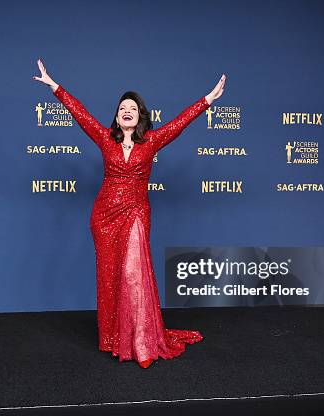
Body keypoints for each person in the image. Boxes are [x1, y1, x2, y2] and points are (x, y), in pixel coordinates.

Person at [33, 59, 226, 368]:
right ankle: (113, 338)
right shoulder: (104, 138)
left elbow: (178, 123)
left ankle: (140, 340)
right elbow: (80, 114)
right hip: (104, 216)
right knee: (109, 276)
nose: (126, 110)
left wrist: (207, 101)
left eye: (133, 108)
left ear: (140, 117)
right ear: (117, 115)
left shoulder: (151, 142)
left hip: (136, 212)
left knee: (134, 275)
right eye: (122, 107)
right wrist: (54, 86)